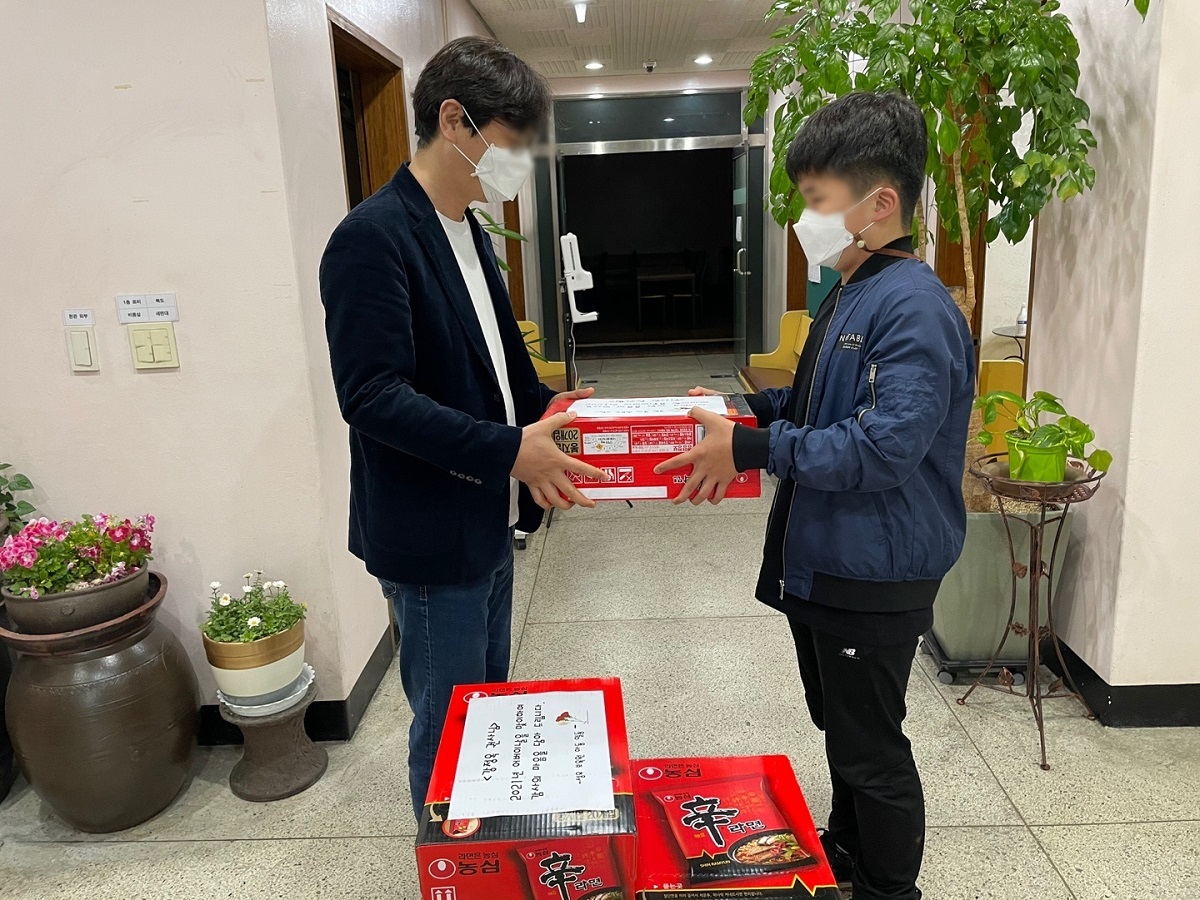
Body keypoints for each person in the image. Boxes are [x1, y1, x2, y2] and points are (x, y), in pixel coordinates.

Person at [657, 92, 974, 900]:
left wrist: (751, 449)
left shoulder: (915, 307)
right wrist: (742, 412)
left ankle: (889, 888)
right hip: (830, 557)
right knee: (845, 735)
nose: (804, 220)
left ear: (881, 203)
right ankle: (846, 854)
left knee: (874, 749)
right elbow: (813, 403)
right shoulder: (851, 288)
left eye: (816, 199)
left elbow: (883, 447)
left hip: (875, 567)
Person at [319, 36, 608, 820]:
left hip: (488, 519)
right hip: (430, 535)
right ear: (455, 121)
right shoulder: (373, 238)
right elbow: (372, 396)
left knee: (488, 717)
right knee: (450, 731)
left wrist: (555, 408)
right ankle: (447, 863)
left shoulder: (470, 231)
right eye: (514, 143)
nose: (520, 165)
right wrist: (510, 448)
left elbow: (497, 368)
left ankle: (484, 853)